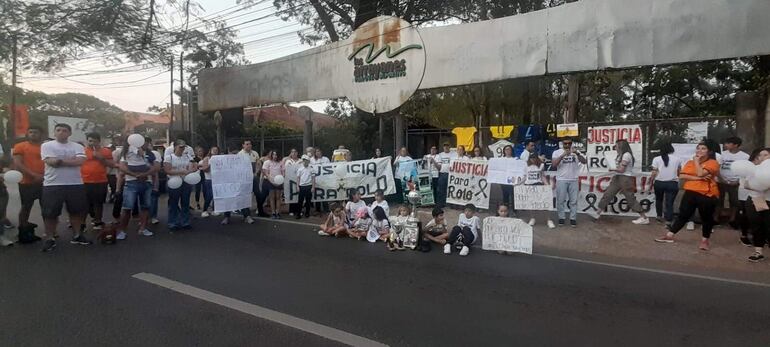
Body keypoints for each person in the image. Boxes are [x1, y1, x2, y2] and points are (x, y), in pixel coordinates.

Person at [655, 140, 721, 251]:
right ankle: (670, 235)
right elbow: (682, 175)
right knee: (683, 215)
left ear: (709, 151)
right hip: (690, 192)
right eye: (698, 148)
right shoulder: (690, 163)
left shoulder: (712, 163)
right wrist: (698, 178)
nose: (699, 151)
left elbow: (701, 172)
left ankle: (705, 240)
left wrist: (696, 162)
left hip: (706, 194)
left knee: (706, 218)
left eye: (703, 149)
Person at [39, 123, 91, 252]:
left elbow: (80, 161)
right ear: (54, 132)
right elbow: (51, 162)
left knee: (76, 211)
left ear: (70, 133)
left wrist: (60, 160)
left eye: (65, 130)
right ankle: (50, 238)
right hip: (53, 184)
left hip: (75, 183)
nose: (62, 132)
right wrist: (70, 161)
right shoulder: (47, 145)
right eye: (58, 130)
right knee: (50, 213)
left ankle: (77, 235)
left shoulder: (77, 146)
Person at [591, 139, 650, 225]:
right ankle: (597, 213)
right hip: (617, 177)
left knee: (630, 198)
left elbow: (622, 170)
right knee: (608, 194)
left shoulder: (626, 155)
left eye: (616, 146)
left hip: (625, 178)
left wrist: (612, 169)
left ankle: (644, 217)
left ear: (621, 146)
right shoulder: (621, 155)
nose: (615, 147)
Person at [116, 135, 158, 239]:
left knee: (145, 206)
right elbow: (121, 166)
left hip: (146, 183)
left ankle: (143, 228)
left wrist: (144, 173)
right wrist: (134, 174)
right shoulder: (126, 152)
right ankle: (122, 231)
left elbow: (156, 167)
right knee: (127, 208)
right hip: (131, 183)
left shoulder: (150, 153)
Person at [12, 126, 45, 241]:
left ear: (41, 134)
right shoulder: (20, 146)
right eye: (30, 132)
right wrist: (33, 175)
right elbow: (18, 163)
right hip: (27, 182)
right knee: (26, 206)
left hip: (45, 181)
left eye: (35, 132)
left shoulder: (46, 147)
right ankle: (23, 230)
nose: (33, 134)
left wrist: (44, 177)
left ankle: (51, 232)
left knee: (46, 207)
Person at [81, 132, 114, 231]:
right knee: (84, 203)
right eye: (90, 141)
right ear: (87, 141)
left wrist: (101, 158)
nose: (92, 143)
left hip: (100, 180)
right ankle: (82, 223)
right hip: (84, 180)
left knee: (98, 202)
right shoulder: (82, 151)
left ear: (99, 142)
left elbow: (111, 164)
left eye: (94, 141)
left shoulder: (106, 151)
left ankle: (98, 221)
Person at [742, 148, 770, 262]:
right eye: (760, 155)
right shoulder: (754, 169)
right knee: (756, 226)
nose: (762, 157)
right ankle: (758, 251)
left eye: (766, 155)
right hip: (754, 199)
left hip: (768, 200)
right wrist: (759, 186)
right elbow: (746, 184)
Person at [551, 138, 587, 227]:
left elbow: (584, 161)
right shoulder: (557, 152)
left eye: (569, 143)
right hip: (561, 179)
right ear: (562, 144)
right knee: (560, 200)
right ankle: (561, 218)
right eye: (565, 143)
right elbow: (554, 164)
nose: (567, 145)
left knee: (573, 201)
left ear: (572, 144)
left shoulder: (575, 152)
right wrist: (562, 155)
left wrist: (577, 153)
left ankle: (573, 219)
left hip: (573, 179)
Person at [164, 140, 197, 230]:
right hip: (174, 182)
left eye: (183, 147)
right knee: (173, 203)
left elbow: (194, 165)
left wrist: (190, 171)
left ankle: (185, 222)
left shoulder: (187, 156)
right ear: (175, 147)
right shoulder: (169, 157)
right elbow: (167, 170)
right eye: (180, 147)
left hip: (186, 181)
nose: (182, 149)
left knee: (185, 202)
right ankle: (173, 222)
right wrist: (180, 171)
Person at [719, 137, 750, 226]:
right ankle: (717, 218)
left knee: (734, 201)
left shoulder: (745, 156)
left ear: (735, 145)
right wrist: (721, 179)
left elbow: (746, 170)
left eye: (728, 143)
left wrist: (739, 181)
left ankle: (732, 219)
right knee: (719, 200)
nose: (726, 145)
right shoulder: (722, 154)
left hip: (735, 182)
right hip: (722, 181)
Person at [649, 141, 681, 225]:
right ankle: (669, 220)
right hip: (672, 183)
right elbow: (679, 172)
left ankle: (659, 216)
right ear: (671, 149)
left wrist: (651, 182)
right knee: (669, 202)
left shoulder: (656, 159)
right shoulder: (677, 159)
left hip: (659, 183)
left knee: (659, 200)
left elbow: (654, 172)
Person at [522, 155, 555, 228]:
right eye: (531, 158)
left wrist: (547, 185)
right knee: (531, 203)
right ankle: (532, 218)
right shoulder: (526, 167)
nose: (532, 159)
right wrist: (517, 183)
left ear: (537, 158)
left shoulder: (541, 166)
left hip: (538, 185)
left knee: (544, 202)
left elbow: (542, 176)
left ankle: (549, 220)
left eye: (534, 157)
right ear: (529, 159)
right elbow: (524, 177)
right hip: (528, 185)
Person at [238, 140, 267, 218]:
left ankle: (260, 211)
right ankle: (245, 213)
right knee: (246, 195)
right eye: (247, 144)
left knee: (258, 194)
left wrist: (256, 173)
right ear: (243, 145)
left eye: (250, 144)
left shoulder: (255, 153)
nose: (249, 145)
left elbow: (258, 164)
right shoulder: (239, 154)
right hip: (245, 179)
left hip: (254, 177)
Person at [261, 150, 284, 219]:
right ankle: (273, 213)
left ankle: (278, 212)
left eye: (276, 155)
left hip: (279, 182)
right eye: (273, 155)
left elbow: (283, 172)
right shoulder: (267, 162)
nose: (275, 156)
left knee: (278, 197)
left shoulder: (281, 162)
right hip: (270, 182)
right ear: (271, 155)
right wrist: (272, 181)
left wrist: (280, 180)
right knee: (272, 198)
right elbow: (265, 173)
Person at [198, 146, 220, 218]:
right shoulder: (207, 158)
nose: (215, 151)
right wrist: (210, 164)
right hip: (209, 179)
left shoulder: (220, 159)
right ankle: (204, 210)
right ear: (210, 151)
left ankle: (214, 210)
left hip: (217, 179)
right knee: (209, 195)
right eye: (213, 150)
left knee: (216, 196)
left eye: (216, 150)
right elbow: (205, 170)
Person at [434, 143, 454, 208]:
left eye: (447, 146)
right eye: (445, 146)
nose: (446, 147)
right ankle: (441, 203)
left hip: (451, 174)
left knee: (450, 189)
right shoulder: (440, 155)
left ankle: (449, 204)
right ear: (443, 147)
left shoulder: (454, 154)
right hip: (442, 173)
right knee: (441, 189)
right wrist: (434, 162)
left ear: (449, 147)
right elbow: (439, 166)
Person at [283, 148, 302, 217]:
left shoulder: (301, 161)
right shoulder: (288, 161)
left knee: (299, 195)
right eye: (292, 152)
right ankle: (291, 210)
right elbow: (285, 170)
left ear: (297, 153)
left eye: (295, 152)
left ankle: (298, 210)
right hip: (290, 181)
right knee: (292, 195)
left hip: (299, 180)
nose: (294, 153)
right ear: (290, 153)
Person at [311, 148, 330, 215]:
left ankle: (326, 209)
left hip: (324, 180)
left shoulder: (326, 159)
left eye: (319, 151)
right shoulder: (312, 160)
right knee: (317, 195)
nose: (318, 152)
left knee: (324, 195)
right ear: (315, 153)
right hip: (316, 180)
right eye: (316, 151)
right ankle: (317, 210)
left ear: (321, 152)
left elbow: (330, 168)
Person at [499, 145, 517, 214]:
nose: (507, 151)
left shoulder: (515, 159)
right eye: (506, 149)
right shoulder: (501, 159)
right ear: (504, 151)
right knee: (505, 196)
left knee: (513, 196)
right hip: (503, 180)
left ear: (511, 150)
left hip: (512, 180)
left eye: (509, 149)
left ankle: (514, 211)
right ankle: (505, 211)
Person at [296, 155, 314, 219]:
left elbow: (313, 178)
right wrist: (297, 186)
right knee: (300, 201)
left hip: (309, 186)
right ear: (303, 161)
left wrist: (313, 187)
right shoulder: (300, 169)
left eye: (306, 161)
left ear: (308, 161)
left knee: (308, 201)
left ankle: (307, 213)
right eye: (304, 160)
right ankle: (298, 214)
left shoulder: (311, 169)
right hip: (302, 186)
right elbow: (298, 178)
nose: (305, 162)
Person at [107, 134, 123, 203]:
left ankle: (114, 198)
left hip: (114, 173)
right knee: (114, 187)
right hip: (116, 173)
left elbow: (112, 164)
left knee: (115, 188)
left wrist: (107, 172)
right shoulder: (113, 152)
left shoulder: (116, 151)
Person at [193, 146, 206, 211]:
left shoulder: (205, 158)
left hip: (205, 175)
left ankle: (206, 203)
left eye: (202, 151)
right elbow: (194, 166)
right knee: (197, 190)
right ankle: (197, 203)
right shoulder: (194, 159)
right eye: (199, 151)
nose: (201, 152)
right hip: (197, 176)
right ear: (196, 152)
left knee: (205, 190)